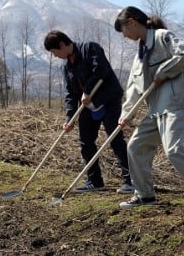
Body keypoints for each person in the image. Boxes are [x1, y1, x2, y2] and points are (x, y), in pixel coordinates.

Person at [113, 6, 184, 208]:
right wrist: (126, 114)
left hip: (173, 106)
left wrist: (165, 71)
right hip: (155, 111)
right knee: (135, 146)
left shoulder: (163, 37)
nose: (125, 36)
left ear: (131, 22)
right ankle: (145, 195)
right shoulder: (139, 56)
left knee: (173, 150)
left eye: (124, 31)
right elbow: (132, 89)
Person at [43, 30, 133, 194]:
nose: (56, 56)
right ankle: (94, 180)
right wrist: (69, 117)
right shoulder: (67, 67)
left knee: (115, 138)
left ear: (62, 45)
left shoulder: (90, 48)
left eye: (55, 52)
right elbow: (70, 93)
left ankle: (131, 180)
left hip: (108, 99)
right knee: (85, 142)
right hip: (87, 106)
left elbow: (101, 70)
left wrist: (88, 91)